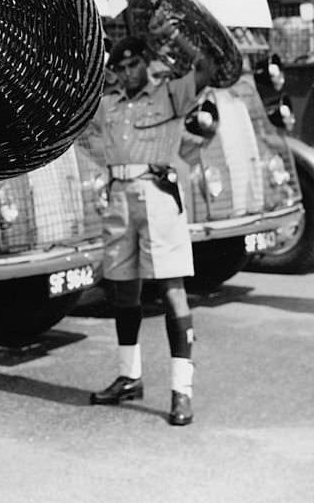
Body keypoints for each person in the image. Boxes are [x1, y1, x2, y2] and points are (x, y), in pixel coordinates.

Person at [84, 28, 212, 427]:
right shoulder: (109, 105)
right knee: (123, 290)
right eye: (120, 67)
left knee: (172, 291)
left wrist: (179, 38)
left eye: (134, 63)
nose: (127, 72)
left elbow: (206, 66)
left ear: (148, 62)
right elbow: (82, 127)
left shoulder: (170, 94)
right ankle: (129, 377)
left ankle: (181, 391)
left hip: (157, 197)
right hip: (119, 197)